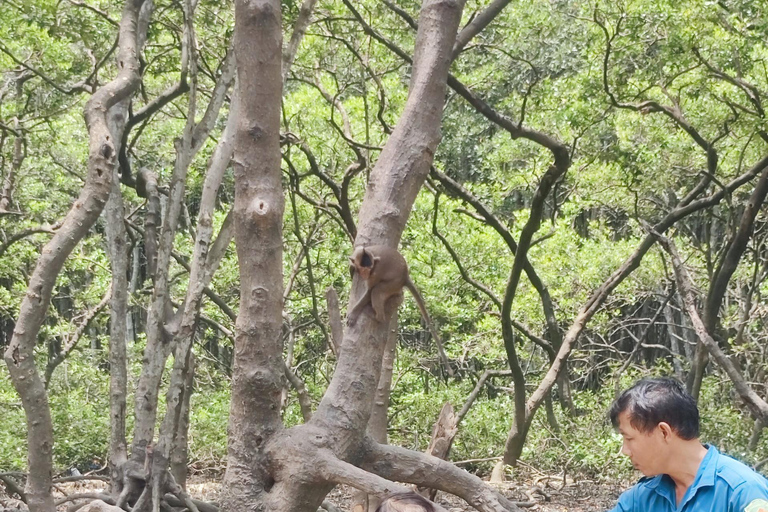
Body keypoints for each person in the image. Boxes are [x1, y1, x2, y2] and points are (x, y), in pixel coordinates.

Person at [608, 377, 768, 512]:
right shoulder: (641, 498)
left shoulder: (742, 492)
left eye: (629, 438)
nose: (625, 451)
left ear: (663, 432)